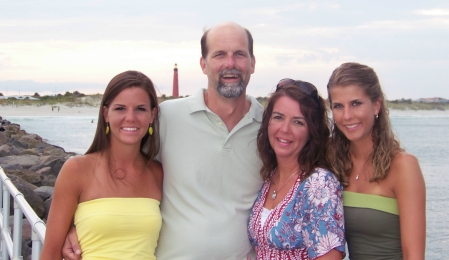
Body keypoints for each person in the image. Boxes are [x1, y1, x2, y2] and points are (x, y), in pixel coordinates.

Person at [63, 22, 264, 260]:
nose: (230, 63)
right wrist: (78, 225)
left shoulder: (269, 128)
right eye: (219, 54)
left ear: (252, 62)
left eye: (239, 54)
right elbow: (121, 172)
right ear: (203, 64)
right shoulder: (167, 117)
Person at [41, 71, 163, 259]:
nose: (130, 118)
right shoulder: (77, 170)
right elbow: (50, 254)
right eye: (120, 108)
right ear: (106, 114)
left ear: (152, 115)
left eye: (140, 109)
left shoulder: (158, 173)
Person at [326, 62, 426, 259]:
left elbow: (414, 256)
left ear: (376, 105)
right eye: (338, 106)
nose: (347, 116)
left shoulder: (403, 166)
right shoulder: (332, 162)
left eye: (356, 103)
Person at [248, 79, 346, 259]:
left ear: (312, 131)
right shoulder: (270, 177)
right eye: (278, 117)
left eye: (298, 122)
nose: (285, 129)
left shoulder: (319, 184)